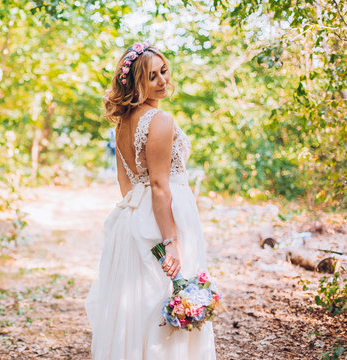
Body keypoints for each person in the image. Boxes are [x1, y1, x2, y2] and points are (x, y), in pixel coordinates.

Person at [85, 42, 216, 359]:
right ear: (134, 82)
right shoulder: (159, 119)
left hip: (135, 214)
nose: (162, 81)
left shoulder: (122, 124)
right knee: (161, 296)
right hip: (165, 214)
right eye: (152, 76)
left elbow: (125, 181)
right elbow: (159, 184)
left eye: (163, 72)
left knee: (141, 303)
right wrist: (170, 240)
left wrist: (135, 221)